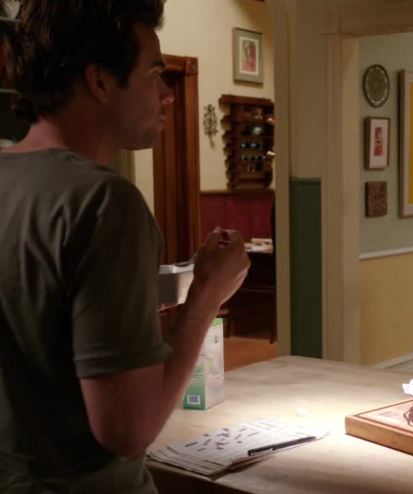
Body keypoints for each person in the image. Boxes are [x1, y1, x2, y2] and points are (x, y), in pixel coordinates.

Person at [0, 1, 250, 492]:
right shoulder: (104, 204)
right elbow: (128, 431)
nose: (167, 94)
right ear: (99, 81)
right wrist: (207, 295)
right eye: (154, 74)